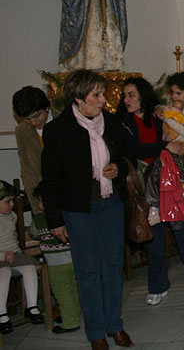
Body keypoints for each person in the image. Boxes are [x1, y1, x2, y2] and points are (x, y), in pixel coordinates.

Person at [41, 69, 133, 350]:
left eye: (103, 93)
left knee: (113, 266)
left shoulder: (112, 122)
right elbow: (50, 179)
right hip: (79, 209)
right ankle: (95, 332)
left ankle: (114, 325)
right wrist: (55, 220)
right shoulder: (58, 129)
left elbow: (127, 157)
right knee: (88, 270)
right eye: (97, 94)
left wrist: (119, 167)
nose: (103, 99)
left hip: (111, 205)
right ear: (79, 97)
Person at [116, 77, 184, 307]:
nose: (127, 99)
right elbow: (132, 149)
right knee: (154, 239)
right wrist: (165, 146)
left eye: (131, 94)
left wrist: (183, 148)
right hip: (146, 185)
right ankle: (158, 285)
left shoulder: (159, 113)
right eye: (125, 96)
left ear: (143, 95)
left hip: (172, 181)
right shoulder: (122, 121)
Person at [30, 182, 81, 334]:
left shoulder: (38, 220)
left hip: (56, 264)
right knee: (74, 289)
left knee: (63, 293)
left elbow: (33, 234)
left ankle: (70, 322)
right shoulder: (68, 216)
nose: (39, 204)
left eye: (40, 201)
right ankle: (71, 314)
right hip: (74, 259)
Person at [0, 181, 44, 335]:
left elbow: (14, 238)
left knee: (29, 267)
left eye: (12, 200)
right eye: (7, 202)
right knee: (4, 272)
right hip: (0, 257)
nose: (12, 204)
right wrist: (3, 256)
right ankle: (2, 314)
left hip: (15, 253)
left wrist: (15, 253)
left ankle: (32, 307)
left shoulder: (11, 215)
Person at [12, 86, 53, 214]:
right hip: (41, 194)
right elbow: (27, 170)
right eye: (27, 119)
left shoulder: (63, 121)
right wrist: (37, 206)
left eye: (37, 116)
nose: (33, 122)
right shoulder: (21, 131)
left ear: (47, 107)